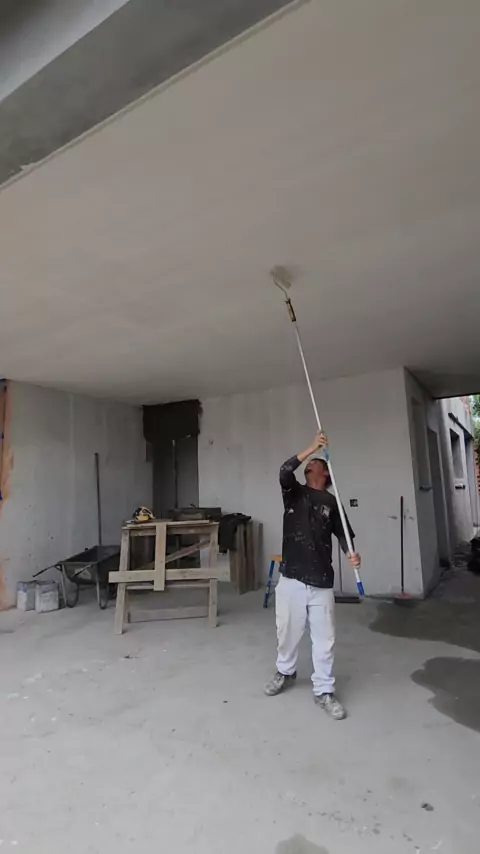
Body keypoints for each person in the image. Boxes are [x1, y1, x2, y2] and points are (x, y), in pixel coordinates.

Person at [264, 431, 361, 720]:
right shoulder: (293, 492)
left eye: (315, 462)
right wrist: (311, 447)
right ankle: (285, 671)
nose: (310, 464)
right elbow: (284, 470)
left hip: (321, 581)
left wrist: (352, 554)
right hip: (291, 577)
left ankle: (324, 690)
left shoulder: (332, 502)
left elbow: (344, 536)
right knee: (286, 632)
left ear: (325, 473)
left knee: (324, 639)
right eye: (308, 463)